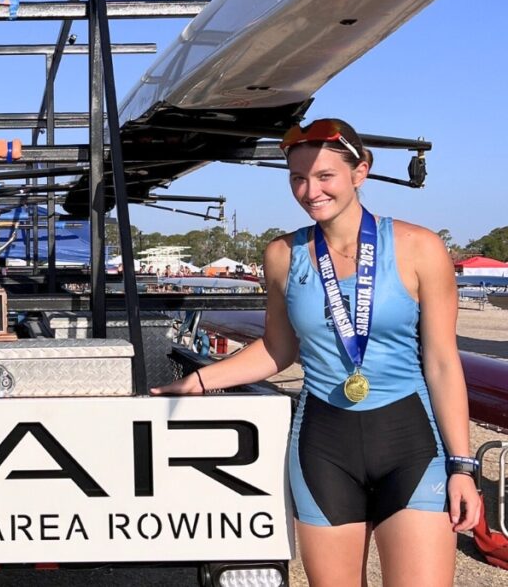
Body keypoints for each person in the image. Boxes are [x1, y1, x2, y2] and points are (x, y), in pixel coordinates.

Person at [153, 118, 480, 586]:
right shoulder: (283, 254)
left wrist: (463, 466)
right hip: (324, 447)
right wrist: (200, 380)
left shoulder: (419, 248)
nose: (310, 191)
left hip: (410, 442)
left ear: (360, 171)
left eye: (324, 176)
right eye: (298, 179)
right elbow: (278, 348)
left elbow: (443, 363)